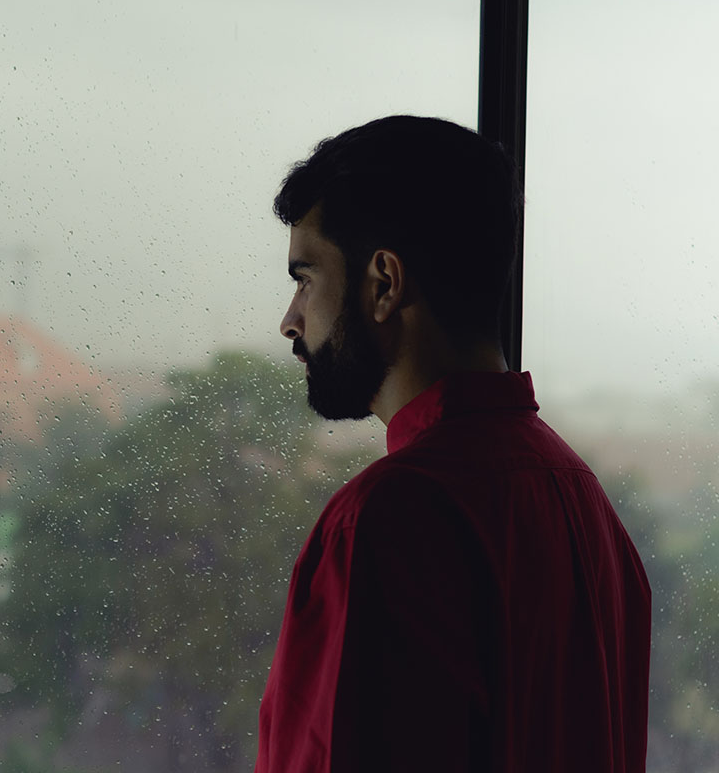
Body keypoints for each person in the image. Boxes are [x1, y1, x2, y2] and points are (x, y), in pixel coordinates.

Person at [256, 116, 651, 773]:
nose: (290, 321)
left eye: (305, 278)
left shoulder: (386, 519)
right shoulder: (588, 507)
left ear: (383, 282)